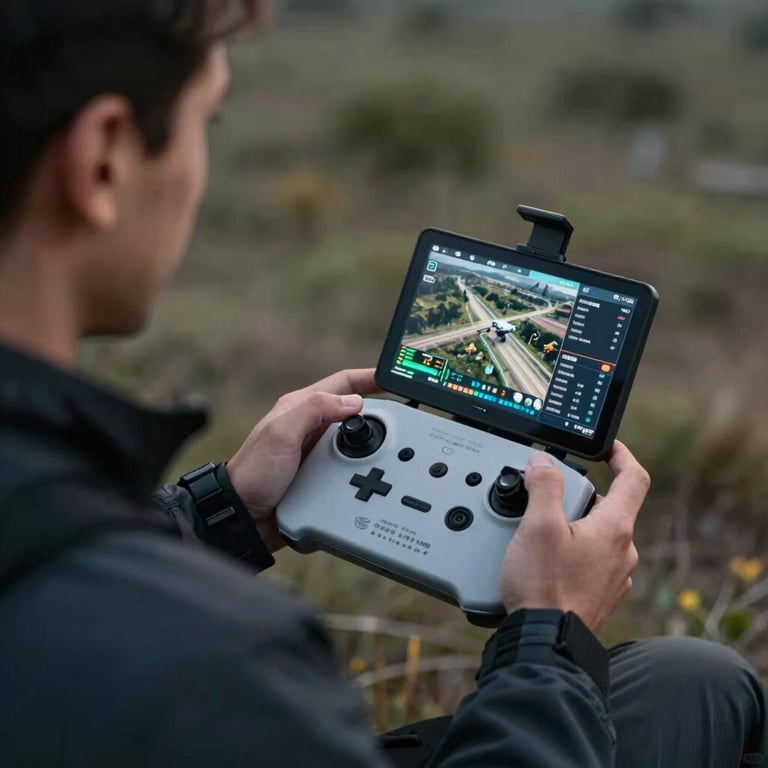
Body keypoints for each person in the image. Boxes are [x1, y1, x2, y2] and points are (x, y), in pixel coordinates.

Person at [0, 2, 764, 766]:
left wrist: (222, 512)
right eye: (210, 122)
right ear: (102, 159)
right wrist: (549, 635)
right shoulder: (238, 668)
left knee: (693, 678)